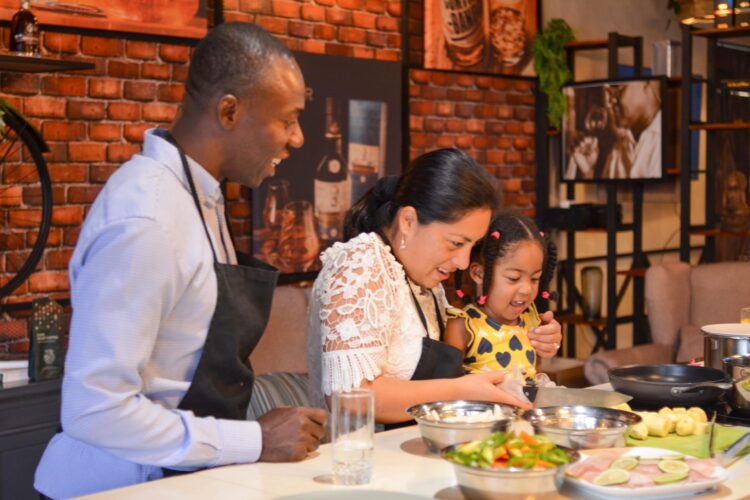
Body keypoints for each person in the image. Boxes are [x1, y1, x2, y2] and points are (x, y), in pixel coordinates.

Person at [35, 22, 327, 499]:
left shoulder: (201, 199)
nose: (297, 139)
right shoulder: (147, 219)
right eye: (288, 119)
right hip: (118, 488)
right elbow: (95, 410)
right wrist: (255, 439)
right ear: (229, 111)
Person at [306, 148, 562, 423]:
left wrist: (532, 340)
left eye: (472, 246)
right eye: (455, 243)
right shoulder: (361, 264)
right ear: (408, 221)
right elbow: (349, 399)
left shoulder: (423, 280)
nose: (463, 262)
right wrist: (461, 391)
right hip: (363, 455)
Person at [444, 212, 557, 382]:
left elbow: (532, 373)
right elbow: (449, 386)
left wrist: (549, 343)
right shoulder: (463, 325)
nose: (526, 289)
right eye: (513, 278)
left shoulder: (531, 319)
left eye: (535, 278)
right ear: (479, 273)